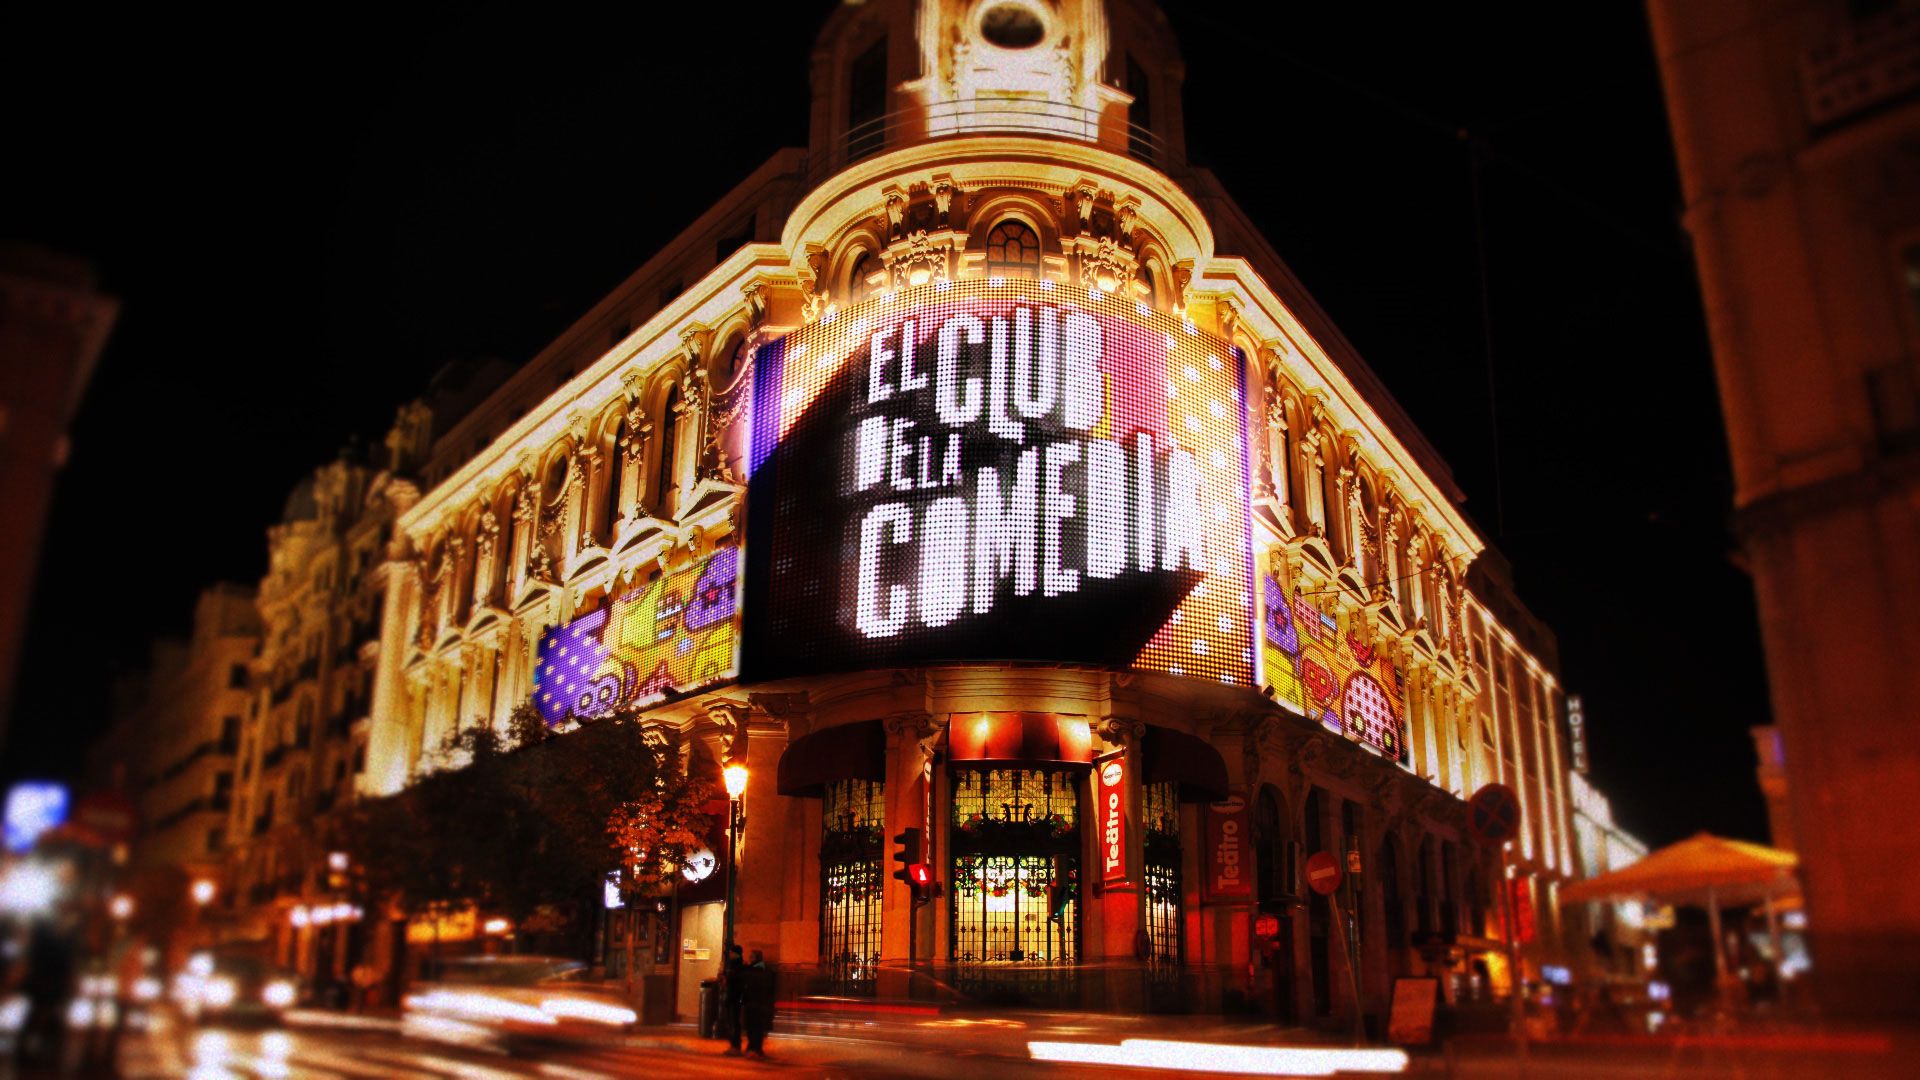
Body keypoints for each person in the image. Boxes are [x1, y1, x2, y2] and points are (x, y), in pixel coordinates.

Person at [740, 949, 777, 1059]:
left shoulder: (756, 971)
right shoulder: (765, 970)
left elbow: (750, 986)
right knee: (754, 1028)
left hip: (755, 1003)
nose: (749, 959)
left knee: (754, 1028)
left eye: (751, 957)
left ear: (756, 958)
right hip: (758, 1003)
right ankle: (754, 1048)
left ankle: (755, 1049)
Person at [719, 944, 746, 1055]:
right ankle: (734, 1045)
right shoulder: (732, 965)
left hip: (734, 998)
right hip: (731, 997)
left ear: (736, 954)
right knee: (731, 1022)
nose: (729, 954)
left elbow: (736, 982)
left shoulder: (738, 966)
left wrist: (727, 979)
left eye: (731, 952)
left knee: (734, 1022)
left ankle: (735, 1046)